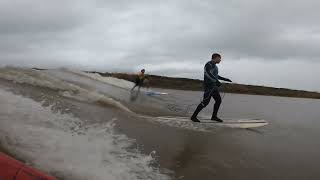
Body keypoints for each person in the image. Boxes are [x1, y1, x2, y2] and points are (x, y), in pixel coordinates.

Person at [191, 53, 232, 123]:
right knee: (205, 102)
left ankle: (214, 116)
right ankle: (193, 116)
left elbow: (215, 75)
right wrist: (216, 81)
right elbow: (208, 73)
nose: (220, 60)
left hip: (214, 87)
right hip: (209, 87)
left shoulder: (215, 66)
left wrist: (225, 79)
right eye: (219, 58)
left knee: (218, 100)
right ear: (215, 58)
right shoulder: (209, 64)